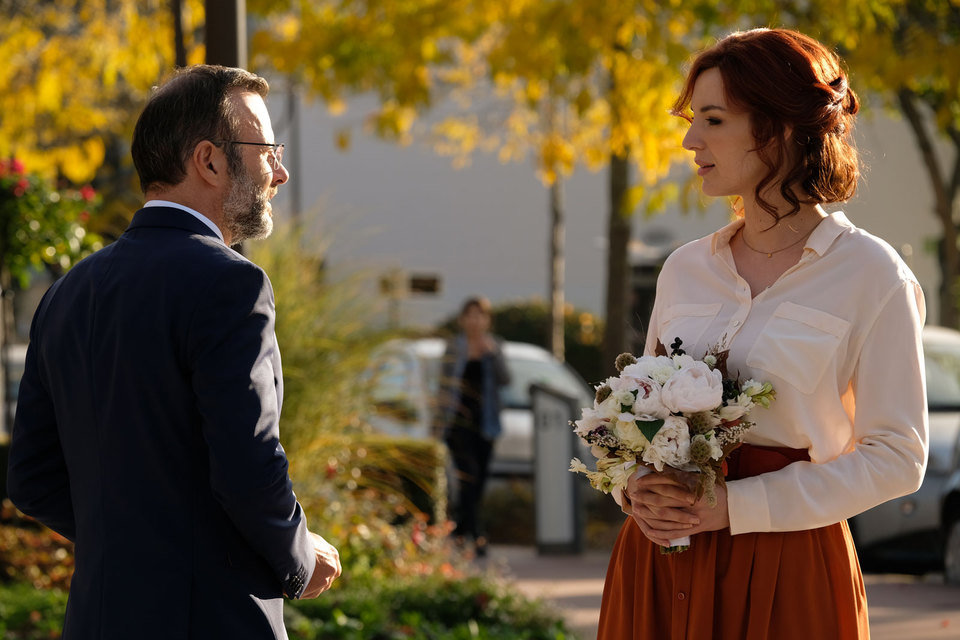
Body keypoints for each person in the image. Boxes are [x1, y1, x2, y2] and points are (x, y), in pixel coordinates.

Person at [598, 29, 927, 639]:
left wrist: (736, 507)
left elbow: (897, 458)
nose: (690, 140)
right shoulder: (684, 268)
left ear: (777, 127)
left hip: (788, 568)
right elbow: (636, 419)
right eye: (693, 120)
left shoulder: (872, 274)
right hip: (658, 562)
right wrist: (636, 489)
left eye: (713, 120)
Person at [6, 65, 341, 639]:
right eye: (267, 151)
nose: (280, 172)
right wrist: (301, 558)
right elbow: (248, 465)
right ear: (208, 161)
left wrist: (137, 544)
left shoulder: (66, 292)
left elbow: (32, 478)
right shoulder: (232, 284)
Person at [436, 297, 511, 556]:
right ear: (462, 319)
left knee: (479, 481)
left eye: (480, 315)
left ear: (487, 320)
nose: (474, 320)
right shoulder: (454, 347)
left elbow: (506, 380)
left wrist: (492, 355)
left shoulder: (495, 346)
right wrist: (438, 422)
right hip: (458, 424)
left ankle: (460, 531)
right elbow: (444, 386)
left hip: (486, 423)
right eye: (470, 315)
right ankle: (477, 535)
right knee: (466, 478)